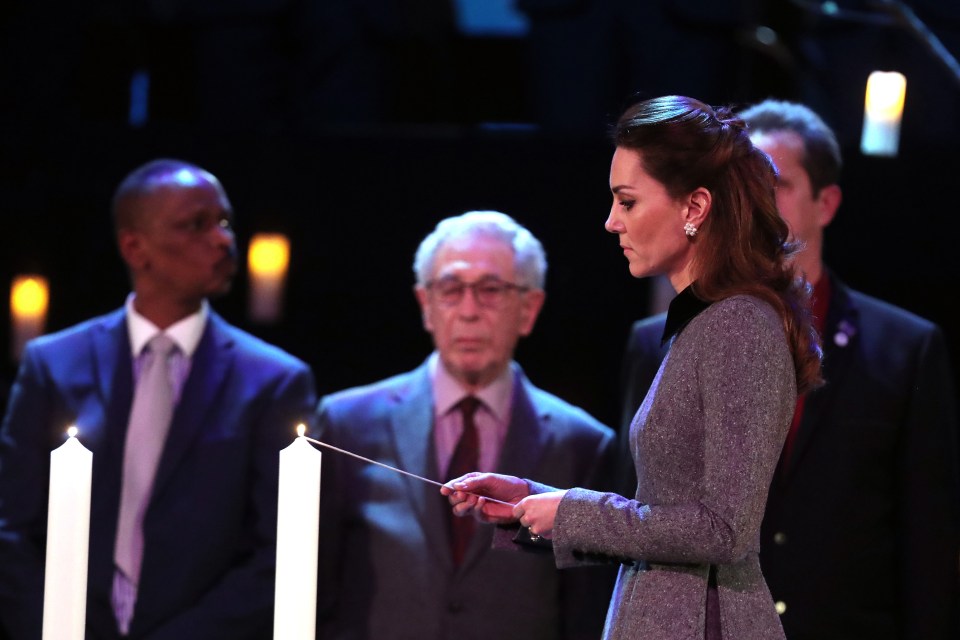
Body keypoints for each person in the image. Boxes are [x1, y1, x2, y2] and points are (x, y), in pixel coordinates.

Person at [443, 95, 823, 640]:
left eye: (627, 202)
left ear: (694, 208)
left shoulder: (740, 325)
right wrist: (533, 502)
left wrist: (570, 510)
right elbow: (661, 522)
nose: (610, 222)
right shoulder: (704, 323)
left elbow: (723, 530)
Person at [639, 98, 958, 640]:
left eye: (774, 182)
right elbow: (635, 505)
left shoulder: (903, 350)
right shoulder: (654, 343)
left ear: (826, 203)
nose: (753, 201)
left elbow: (929, 543)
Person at [0, 159, 317, 639]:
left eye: (224, 222)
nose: (222, 239)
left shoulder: (273, 380)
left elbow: (276, 552)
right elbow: (12, 526)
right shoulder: (55, 363)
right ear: (135, 247)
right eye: (196, 225)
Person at [315, 210, 617, 640]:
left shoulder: (584, 444)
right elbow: (319, 584)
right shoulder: (347, 422)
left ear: (529, 309)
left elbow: (586, 612)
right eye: (451, 289)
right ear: (426, 305)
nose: (469, 311)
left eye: (491, 290)